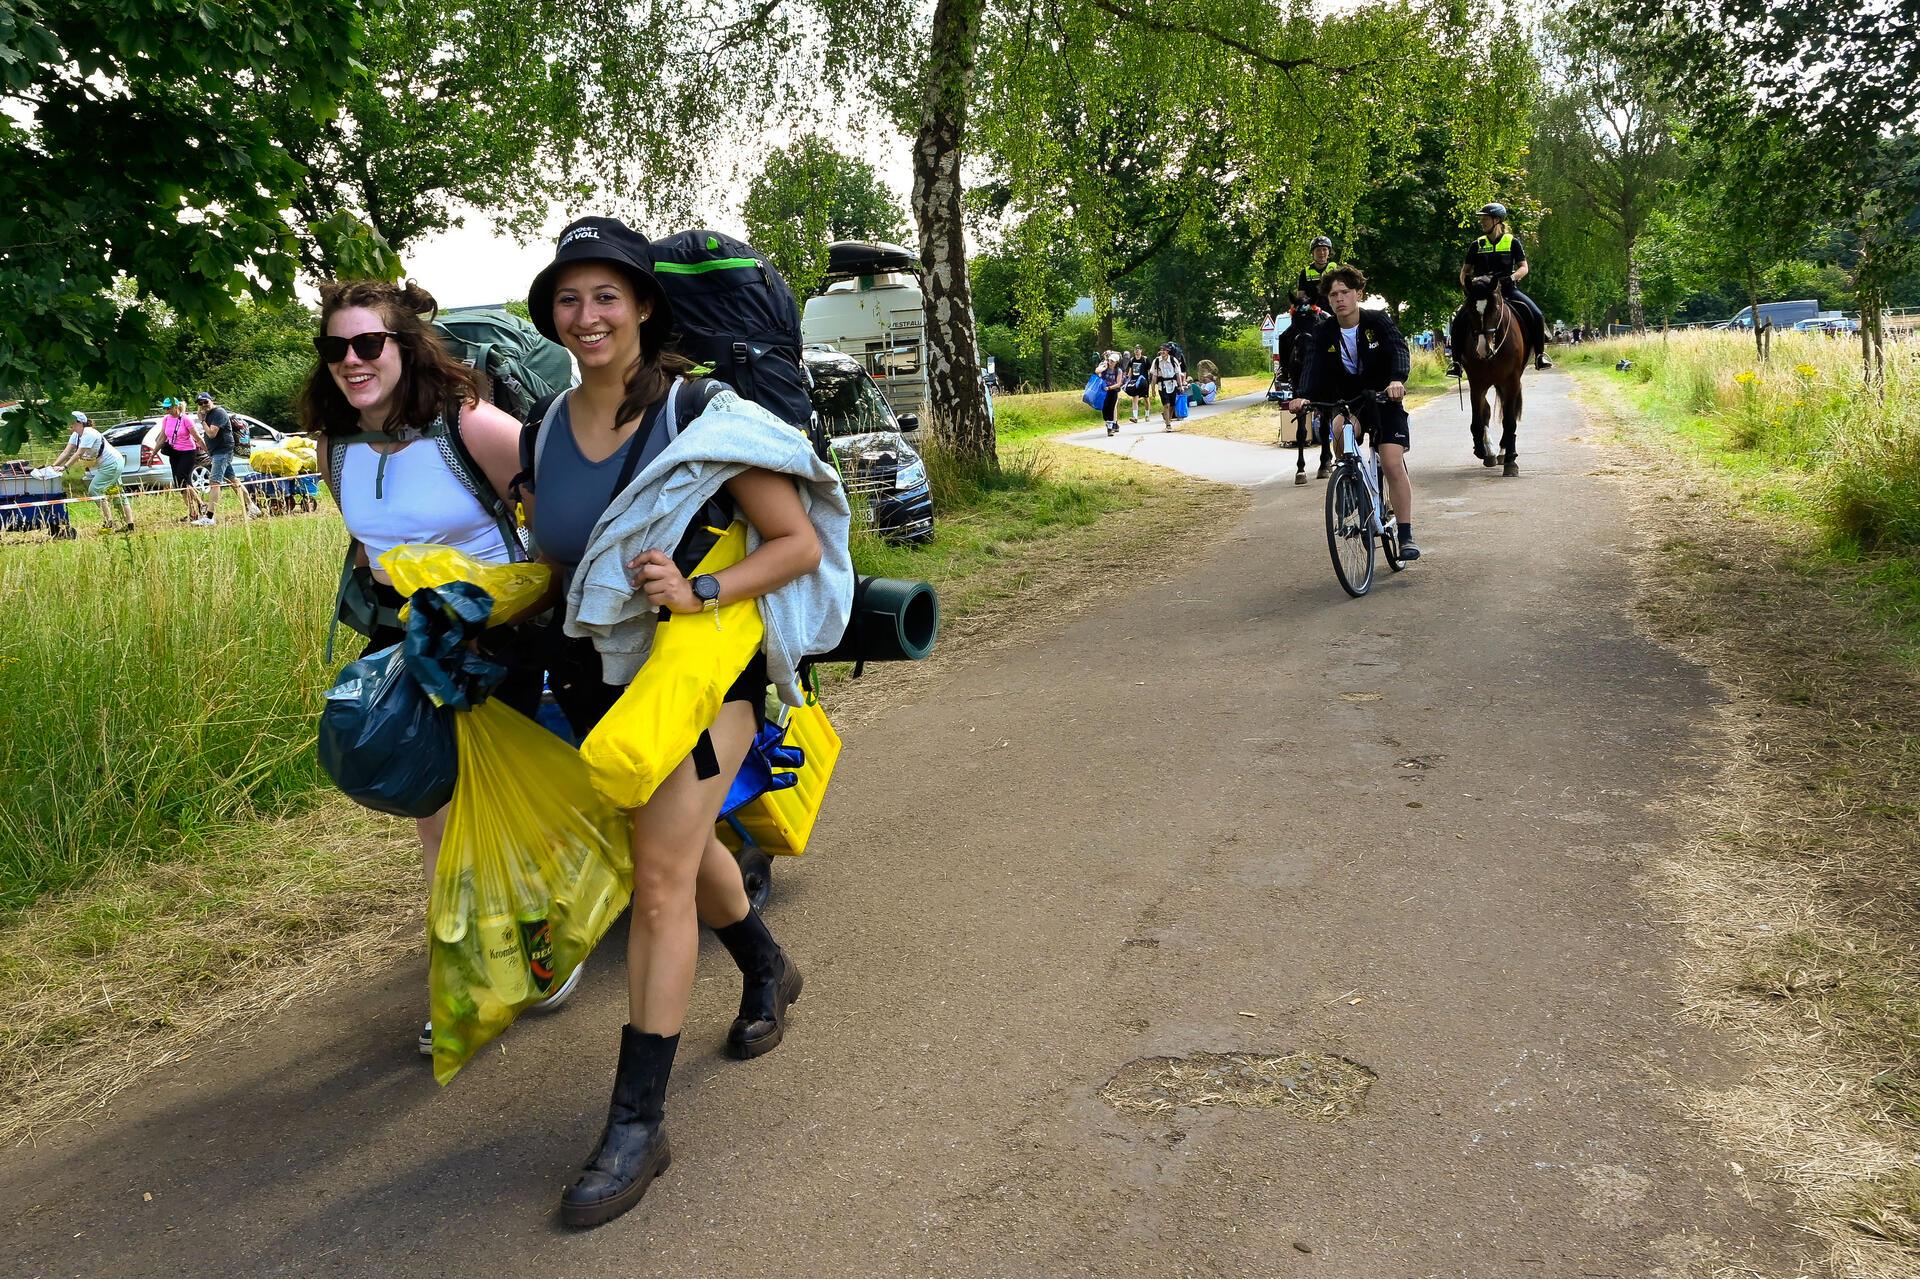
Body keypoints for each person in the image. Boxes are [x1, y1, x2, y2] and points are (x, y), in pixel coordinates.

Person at [516, 217, 851, 1228]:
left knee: (658, 874)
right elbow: (559, 558)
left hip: (705, 682)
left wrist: (702, 587)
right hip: (596, 687)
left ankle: (636, 1126)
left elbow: (793, 543)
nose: (587, 317)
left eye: (606, 295)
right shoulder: (543, 423)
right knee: (679, 842)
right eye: (569, 299)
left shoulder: (705, 414)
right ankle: (765, 966)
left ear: (646, 304)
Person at [301, 279, 580, 1058]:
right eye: (336, 348)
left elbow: (553, 523)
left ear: (404, 346)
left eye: (368, 345)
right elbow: (369, 544)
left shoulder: (473, 427)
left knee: (491, 805)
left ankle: (529, 955)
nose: (352, 361)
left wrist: (523, 598)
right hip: (402, 638)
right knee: (433, 809)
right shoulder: (335, 448)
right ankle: (470, 971)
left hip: (496, 636)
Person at [1287, 266, 1421, 561]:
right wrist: (1303, 395)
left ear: (1358, 294)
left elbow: (1399, 349)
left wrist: (1397, 379)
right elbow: (1312, 365)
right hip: (1352, 402)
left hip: (1385, 399)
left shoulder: (1377, 321)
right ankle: (1348, 479)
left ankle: (1406, 533)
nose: (1339, 299)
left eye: (1345, 292)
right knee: (1338, 429)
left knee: (1390, 462)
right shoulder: (1324, 332)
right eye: (1333, 294)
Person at [1446, 203, 1551, 376]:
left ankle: (1540, 355)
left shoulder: (1512, 242)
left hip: (1507, 290)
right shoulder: (1477, 244)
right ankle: (1456, 363)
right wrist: (1467, 287)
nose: (1482, 222)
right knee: (1458, 320)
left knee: (1537, 314)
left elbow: (1523, 267)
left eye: (1485, 219)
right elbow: (1464, 271)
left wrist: (1511, 278)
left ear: (1497, 220)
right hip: (1481, 294)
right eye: (1482, 219)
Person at [43, 411, 133, 533]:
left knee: (94, 489)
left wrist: (64, 467)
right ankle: (129, 525)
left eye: (72, 421)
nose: (69, 424)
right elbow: (66, 452)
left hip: (112, 464)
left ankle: (108, 522)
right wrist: (52, 467)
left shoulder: (89, 433)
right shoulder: (76, 435)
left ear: (80, 422)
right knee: (117, 492)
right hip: (107, 464)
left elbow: (78, 453)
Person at [196, 392, 260, 521]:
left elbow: (212, 433)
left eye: (205, 402)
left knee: (214, 483)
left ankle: (209, 517)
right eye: (200, 403)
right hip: (216, 453)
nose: (203, 405)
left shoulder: (219, 413)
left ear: (211, 400)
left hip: (223, 452)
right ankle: (252, 507)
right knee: (233, 481)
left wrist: (202, 421)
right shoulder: (209, 415)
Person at [145, 398, 210, 524]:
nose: (166, 410)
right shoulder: (166, 419)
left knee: (182, 479)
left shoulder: (186, 419)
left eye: (168, 407)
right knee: (179, 484)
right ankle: (194, 511)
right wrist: (152, 454)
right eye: (165, 408)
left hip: (188, 452)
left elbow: (197, 437)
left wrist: (208, 451)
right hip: (174, 453)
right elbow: (162, 438)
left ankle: (198, 507)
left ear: (176, 407)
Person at [1296, 236, 1341, 304]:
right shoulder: (1305, 272)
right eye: (1318, 250)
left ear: (1329, 252)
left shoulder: (1335, 270)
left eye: (1324, 249)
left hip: (1333, 310)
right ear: (1313, 253)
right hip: (1312, 311)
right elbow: (1300, 296)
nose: (1322, 253)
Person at [1150, 343, 1182, 431]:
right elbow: (1154, 376)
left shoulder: (1173, 360)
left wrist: (1180, 386)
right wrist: (1153, 389)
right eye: (1161, 350)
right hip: (1162, 385)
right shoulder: (1156, 361)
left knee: (1172, 405)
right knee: (1166, 404)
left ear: (1168, 351)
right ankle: (1168, 425)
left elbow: (1178, 374)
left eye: (1164, 350)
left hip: (1173, 384)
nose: (1162, 351)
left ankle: (1168, 418)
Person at [1097, 349, 1125, 436]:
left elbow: (1118, 383)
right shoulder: (1104, 367)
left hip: (1112, 391)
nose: (1110, 362)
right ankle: (1108, 422)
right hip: (1103, 391)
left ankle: (1110, 428)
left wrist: (1109, 388)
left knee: (1111, 408)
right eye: (1110, 360)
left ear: (1116, 362)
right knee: (1104, 409)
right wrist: (1103, 367)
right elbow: (1097, 371)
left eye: (1112, 361)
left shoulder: (1118, 371)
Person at [1123, 346, 1150, 423]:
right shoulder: (1132, 360)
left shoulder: (1145, 359)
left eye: (1138, 349)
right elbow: (1131, 370)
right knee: (1135, 398)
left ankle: (1147, 414)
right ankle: (1135, 417)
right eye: (1136, 349)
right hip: (1134, 381)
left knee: (1146, 399)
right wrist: (1128, 379)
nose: (1137, 351)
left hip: (1143, 382)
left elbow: (1149, 370)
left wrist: (1149, 380)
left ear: (1141, 350)